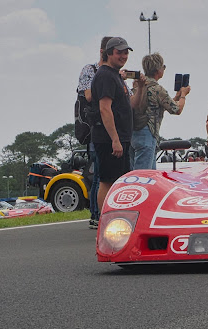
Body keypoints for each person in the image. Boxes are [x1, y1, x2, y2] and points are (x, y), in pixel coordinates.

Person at [91, 37, 134, 213]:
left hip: (121, 137)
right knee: (108, 181)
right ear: (109, 53)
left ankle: (117, 218)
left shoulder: (115, 76)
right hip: (109, 139)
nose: (123, 56)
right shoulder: (105, 76)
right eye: (119, 52)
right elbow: (104, 109)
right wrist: (115, 139)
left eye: (126, 52)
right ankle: (105, 220)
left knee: (119, 181)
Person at [130, 52, 190, 170]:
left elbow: (159, 105)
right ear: (158, 70)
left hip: (134, 133)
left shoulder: (138, 86)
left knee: (137, 173)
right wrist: (183, 95)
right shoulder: (157, 89)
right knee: (144, 176)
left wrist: (176, 97)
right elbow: (176, 109)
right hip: (148, 132)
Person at [77, 35, 112, 228]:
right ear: (103, 52)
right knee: (99, 174)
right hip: (96, 129)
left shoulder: (114, 74)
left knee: (107, 173)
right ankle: (96, 214)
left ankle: (104, 212)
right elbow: (89, 96)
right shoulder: (89, 70)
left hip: (114, 129)